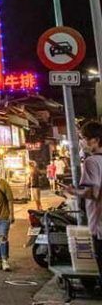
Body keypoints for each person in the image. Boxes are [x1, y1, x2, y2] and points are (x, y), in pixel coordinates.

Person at [64, 121, 102, 288]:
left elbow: (93, 193)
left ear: (96, 140)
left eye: (85, 139)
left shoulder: (91, 162)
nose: (83, 143)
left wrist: (74, 191)